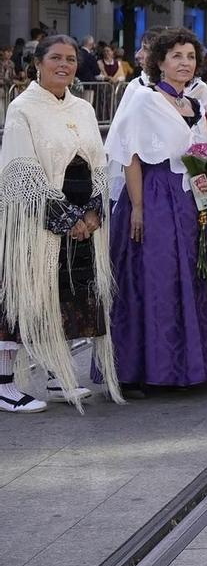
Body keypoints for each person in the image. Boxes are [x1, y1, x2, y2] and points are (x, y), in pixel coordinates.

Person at [0, 36, 120, 412]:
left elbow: (99, 165)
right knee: (25, 300)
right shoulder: (22, 108)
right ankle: (4, 386)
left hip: (84, 221)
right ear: (38, 63)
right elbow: (23, 174)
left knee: (68, 297)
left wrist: (93, 213)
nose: (64, 65)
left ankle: (58, 376)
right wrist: (66, 219)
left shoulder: (83, 108)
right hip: (38, 223)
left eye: (70, 59)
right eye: (55, 58)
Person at [105, 27, 207, 394]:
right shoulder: (144, 99)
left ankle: (182, 369)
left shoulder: (194, 104)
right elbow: (130, 157)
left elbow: (200, 155)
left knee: (185, 280)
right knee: (152, 279)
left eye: (190, 57)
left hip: (186, 201)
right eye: (176, 56)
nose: (185, 63)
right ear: (160, 62)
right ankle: (142, 370)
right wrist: (137, 207)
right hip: (153, 194)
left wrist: (206, 179)